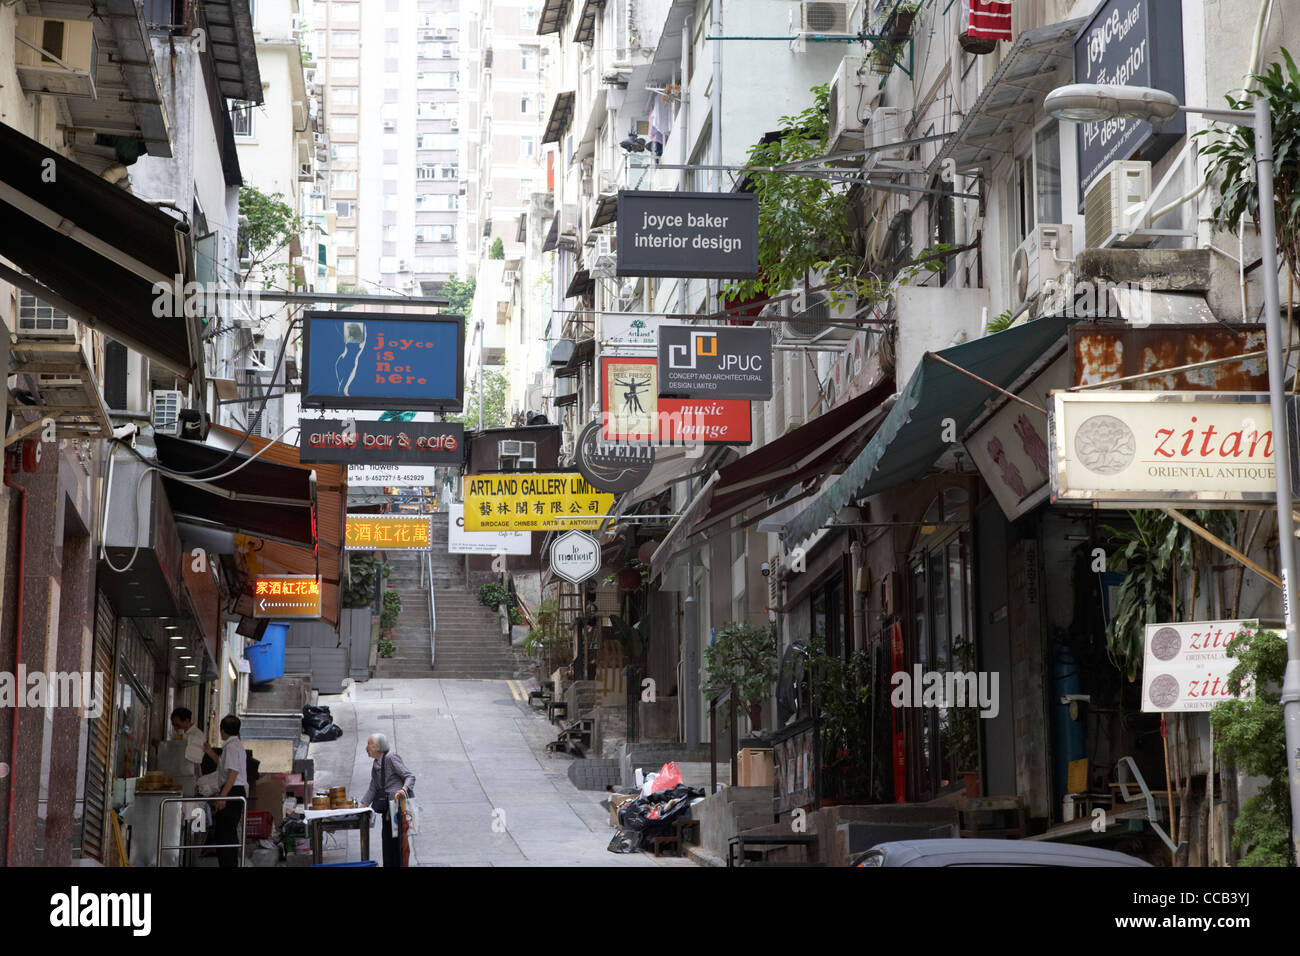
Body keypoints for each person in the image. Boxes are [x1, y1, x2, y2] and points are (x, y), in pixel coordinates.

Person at [361, 733, 415, 867]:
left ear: (377, 747)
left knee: (398, 844)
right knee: (387, 841)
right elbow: (373, 786)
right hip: (386, 810)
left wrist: (403, 790)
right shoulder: (376, 764)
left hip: (398, 809)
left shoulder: (391, 758)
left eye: (369, 744)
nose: (366, 748)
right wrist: (363, 805)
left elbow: (409, 776)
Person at [212, 715, 247, 868]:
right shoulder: (233, 745)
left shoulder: (232, 747)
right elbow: (224, 766)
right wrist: (209, 751)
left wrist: (222, 796)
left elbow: (233, 773)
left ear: (222, 730)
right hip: (232, 790)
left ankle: (229, 864)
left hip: (232, 791)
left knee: (226, 833)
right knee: (224, 832)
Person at [170, 707, 217, 780]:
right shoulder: (182, 735)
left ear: (187, 720)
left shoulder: (198, 735)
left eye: (178, 725)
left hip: (191, 774)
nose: (175, 728)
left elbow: (194, 758)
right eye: (173, 725)